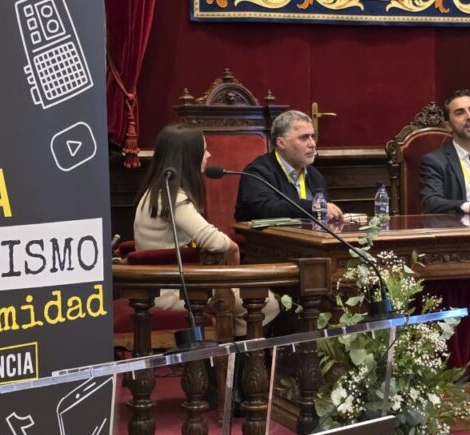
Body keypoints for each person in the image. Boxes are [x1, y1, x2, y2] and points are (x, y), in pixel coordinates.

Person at [133, 123, 277, 337]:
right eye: (204, 150)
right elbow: (216, 241)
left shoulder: (157, 192)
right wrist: (234, 259)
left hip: (164, 284)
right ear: (189, 157)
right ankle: (235, 364)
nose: (208, 155)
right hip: (172, 292)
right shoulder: (172, 197)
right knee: (267, 302)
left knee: (248, 302)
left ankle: (230, 363)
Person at [234, 110, 344, 222]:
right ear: (281, 143)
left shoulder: (314, 175)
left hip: (310, 237)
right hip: (268, 238)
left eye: (312, 136)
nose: (312, 144)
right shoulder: (257, 173)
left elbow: (324, 217)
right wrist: (312, 206)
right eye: (304, 137)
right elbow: (267, 209)